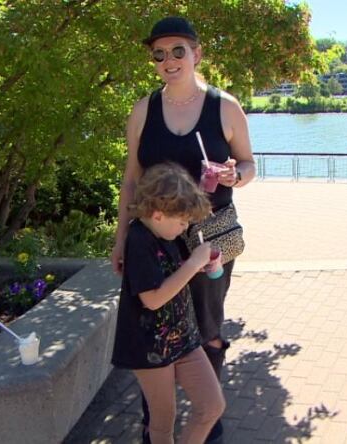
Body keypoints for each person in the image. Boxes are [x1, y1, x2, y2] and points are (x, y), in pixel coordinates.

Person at [110, 15, 256, 443]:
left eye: (178, 51)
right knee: (154, 328)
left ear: (196, 54)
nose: (169, 60)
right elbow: (131, 179)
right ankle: (155, 426)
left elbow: (249, 165)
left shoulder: (224, 106)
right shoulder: (144, 110)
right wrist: (121, 237)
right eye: (159, 54)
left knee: (207, 329)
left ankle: (207, 423)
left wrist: (235, 175)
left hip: (210, 238)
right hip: (153, 241)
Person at [110, 163, 225, 444]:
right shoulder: (139, 239)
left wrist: (197, 266)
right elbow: (152, 298)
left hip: (182, 337)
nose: (185, 227)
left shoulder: (165, 233)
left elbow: (169, 275)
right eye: (182, 221)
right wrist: (194, 263)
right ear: (158, 214)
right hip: (149, 346)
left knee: (212, 406)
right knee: (162, 422)